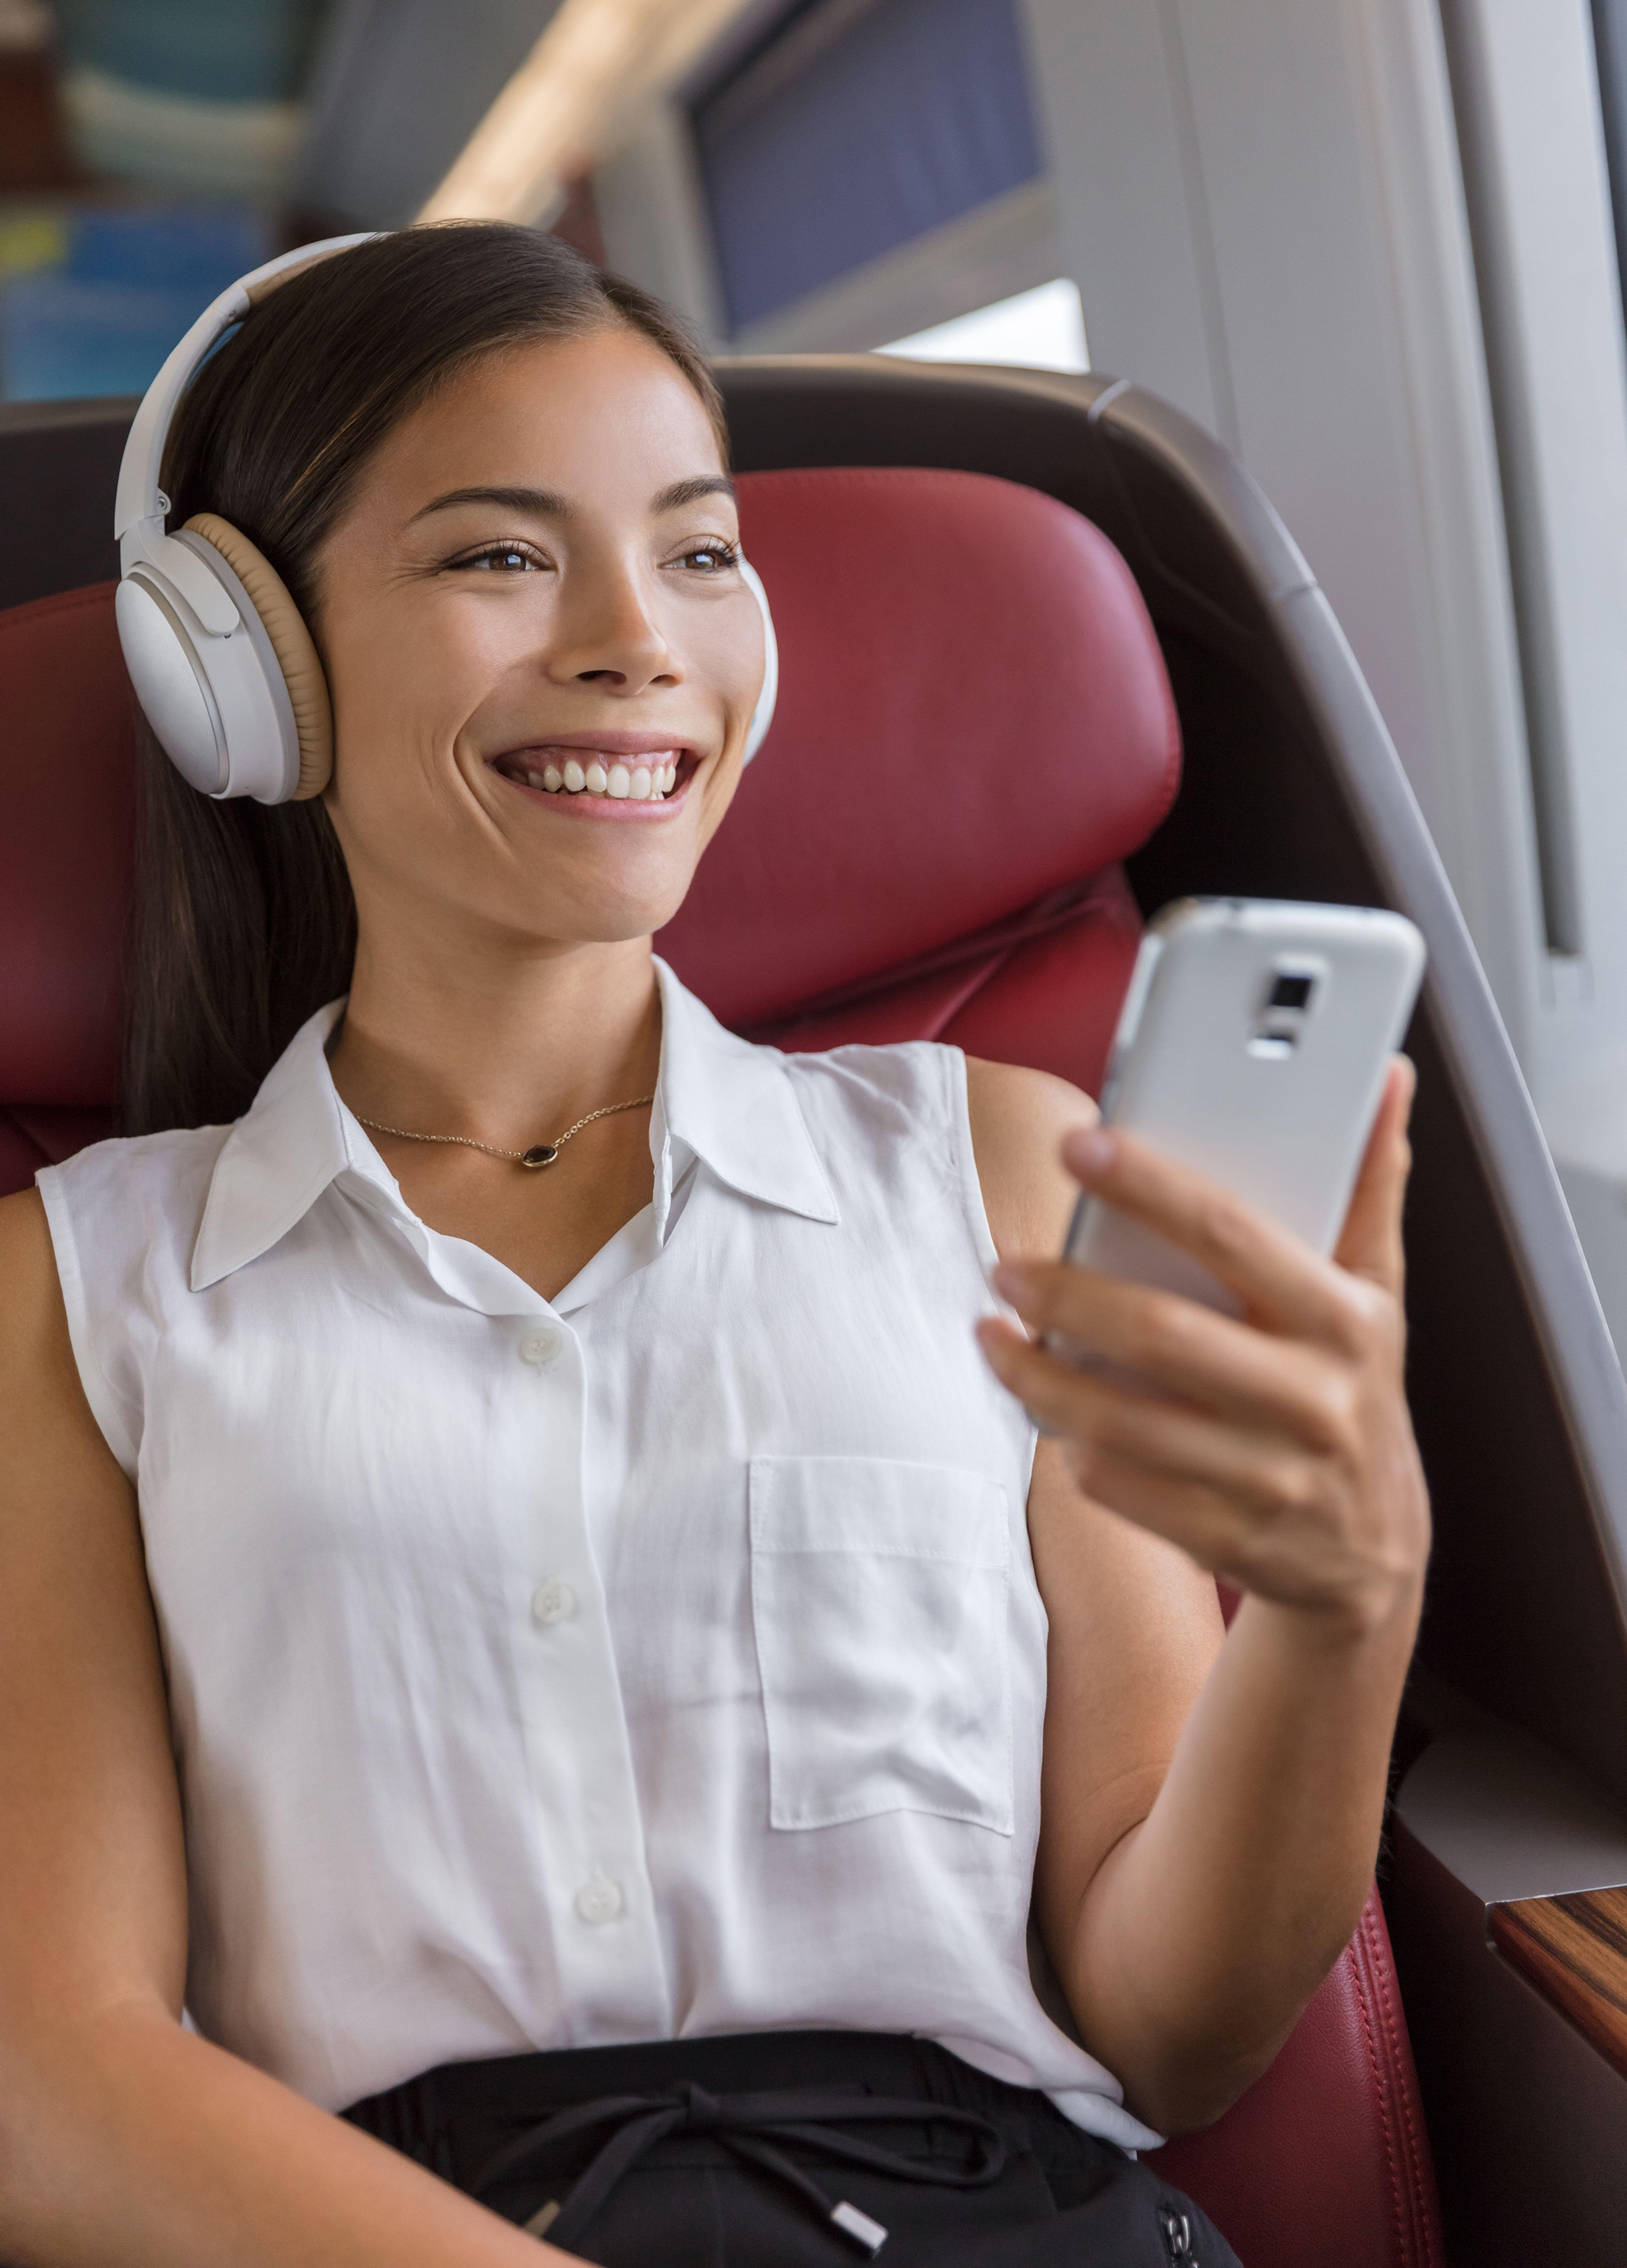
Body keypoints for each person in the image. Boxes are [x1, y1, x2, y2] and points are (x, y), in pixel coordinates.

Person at [0, 224, 1430, 2268]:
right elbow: (54, 2091)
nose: (635, 639)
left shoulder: (1008, 1171)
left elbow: (1174, 2032)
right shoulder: (73, 1293)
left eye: (695, 550)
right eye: (501, 556)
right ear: (240, 659)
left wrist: (1341, 1604)